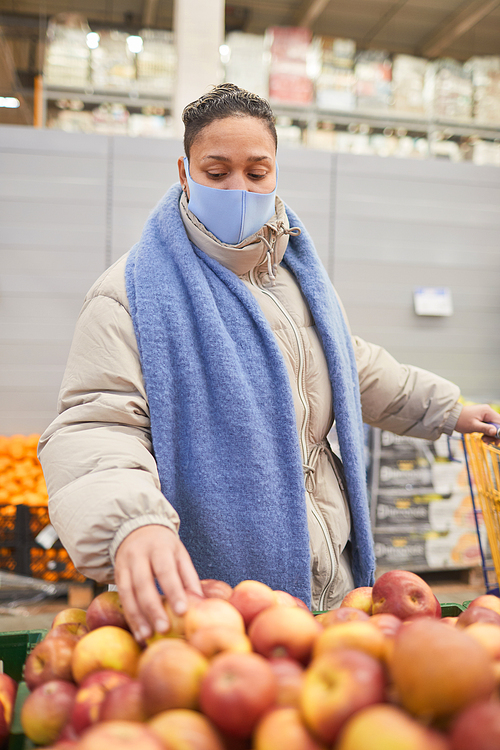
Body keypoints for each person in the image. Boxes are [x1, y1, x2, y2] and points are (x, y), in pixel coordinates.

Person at [39, 83, 499, 644]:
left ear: (275, 172)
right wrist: (131, 523)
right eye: (216, 171)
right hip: (225, 609)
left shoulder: (296, 277)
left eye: (257, 173)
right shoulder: (130, 295)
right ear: (183, 172)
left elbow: (349, 366)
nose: (239, 188)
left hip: (338, 584)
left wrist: (449, 409)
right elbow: (97, 429)